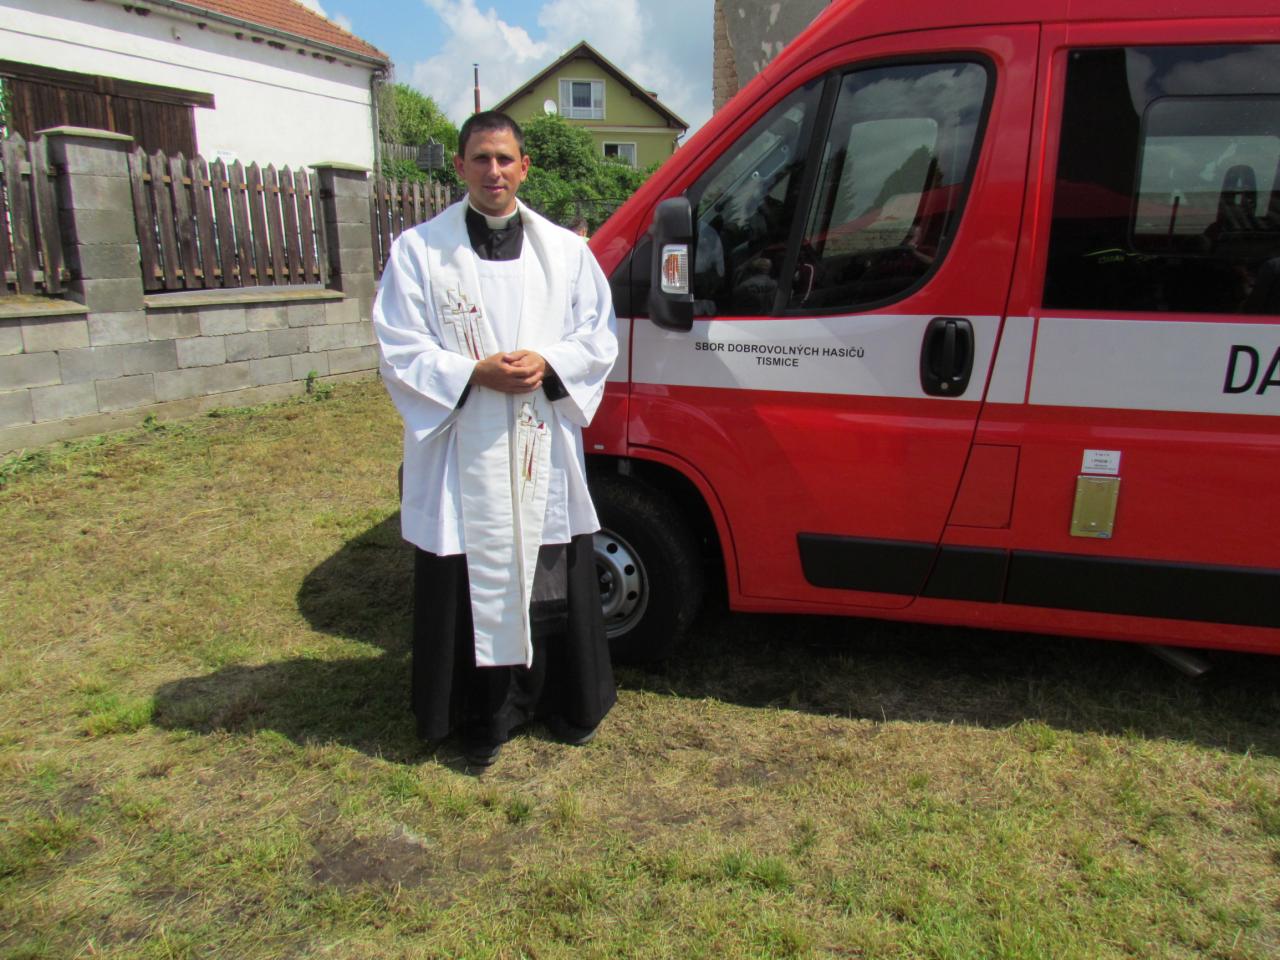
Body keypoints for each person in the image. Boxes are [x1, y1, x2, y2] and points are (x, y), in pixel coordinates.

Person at [373, 111, 618, 769]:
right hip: (464, 445)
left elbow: (597, 336)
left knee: (549, 564)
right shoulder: (419, 251)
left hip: (539, 438)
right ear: (460, 166)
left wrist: (549, 362)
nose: (494, 171)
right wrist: (472, 373)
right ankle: (479, 716)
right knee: (467, 566)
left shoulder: (566, 252)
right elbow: (399, 347)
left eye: (505, 158)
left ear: (524, 167)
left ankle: (562, 702)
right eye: (480, 158)